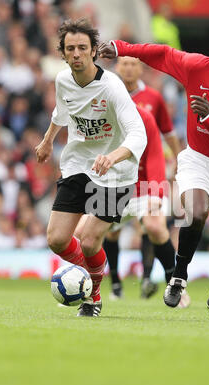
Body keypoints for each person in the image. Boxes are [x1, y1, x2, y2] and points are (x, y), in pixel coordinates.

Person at [99, 29, 209, 319]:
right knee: (197, 212)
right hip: (197, 158)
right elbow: (163, 55)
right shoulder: (199, 67)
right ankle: (178, 277)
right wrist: (120, 47)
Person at [35, 18, 147, 317]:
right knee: (57, 240)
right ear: (62, 52)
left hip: (116, 174)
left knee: (88, 241)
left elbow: (139, 133)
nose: (76, 54)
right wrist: (47, 142)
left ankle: (93, 296)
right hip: (78, 164)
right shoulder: (62, 80)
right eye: (70, 48)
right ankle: (92, 275)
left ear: (94, 51)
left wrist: (113, 157)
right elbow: (62, 111)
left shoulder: (112, 87)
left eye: (82, 48)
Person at [104, 56, 182, 299]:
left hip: (149, 171)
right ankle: (115, 282)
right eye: (124, 63)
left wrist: (179, 159)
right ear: (117, 68)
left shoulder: (153, 99)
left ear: (141, 69)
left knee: (151, 225)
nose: (128, 68)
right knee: (111, 232)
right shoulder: (108, 97)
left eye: (133, 64)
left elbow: (167, 132)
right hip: (116, 177)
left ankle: (149, 277)